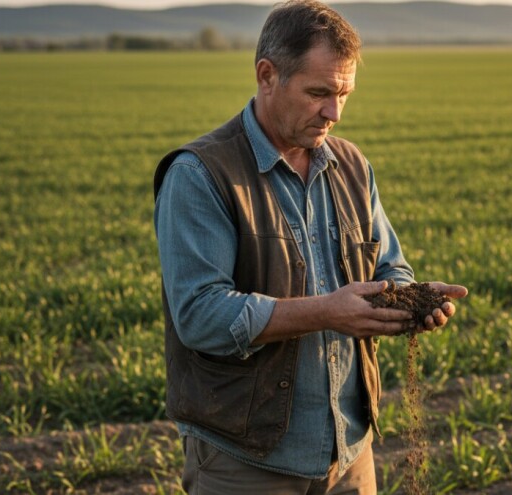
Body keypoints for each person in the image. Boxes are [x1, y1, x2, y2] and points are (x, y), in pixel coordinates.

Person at [153, 1, 467, 492]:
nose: (334, 112)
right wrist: (325, 311)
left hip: (350, 455)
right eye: (319, 92)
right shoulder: (201, 175)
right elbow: (200, 315)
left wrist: (409, 301)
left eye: (344, 93)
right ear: (266, 75)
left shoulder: (351, 165)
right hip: (247, 463)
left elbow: (389, 265)